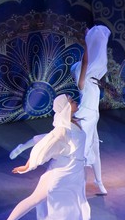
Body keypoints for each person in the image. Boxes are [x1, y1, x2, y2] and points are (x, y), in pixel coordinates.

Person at [0, 94, 99, 220]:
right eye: (71, 100)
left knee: (80, 206)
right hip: (61, 174)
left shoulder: (72, 122)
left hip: (74, 173)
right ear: (65, 107)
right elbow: (44, 147)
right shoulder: (62, 131)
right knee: (33, 200)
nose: (75, 101)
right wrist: (28, 165)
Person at [10, 25, 111, 195]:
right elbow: (86, 62)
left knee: (95, 150)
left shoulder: (94, 82)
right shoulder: (82, 84)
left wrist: (96, 45)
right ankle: (24, 147)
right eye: (83, 70)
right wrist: (86, 42)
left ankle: (99, 183)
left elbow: (95, 62)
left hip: (93, 119)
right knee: (56, 140)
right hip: (84, 119)